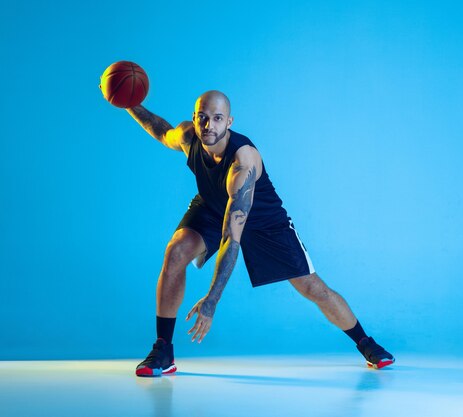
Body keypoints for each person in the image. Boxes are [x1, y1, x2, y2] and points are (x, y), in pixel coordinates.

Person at [124, 90, 394, 376]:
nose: (209, 126)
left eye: (217, 119)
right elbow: (161, 130)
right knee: (175, 251)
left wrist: (211, 301)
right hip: (214, 205)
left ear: (229, 121)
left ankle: (366, 343)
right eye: (203, 118)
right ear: (194, 119)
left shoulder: (243, 161)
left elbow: (231, 239)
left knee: (312, 287)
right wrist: (130, 103)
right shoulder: (189, 137)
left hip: (263, 220)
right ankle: (163, 349)